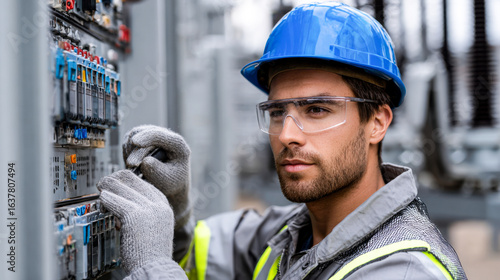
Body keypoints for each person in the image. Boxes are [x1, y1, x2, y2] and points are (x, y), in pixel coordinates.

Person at [97, 2, 467, 279]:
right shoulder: (288, 233)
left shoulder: (402, 268)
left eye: (317, 110)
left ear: (377, 122)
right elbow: (192, 257)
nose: (287, 134)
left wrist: (152, 270)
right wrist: (173, 212)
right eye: (277, 113)